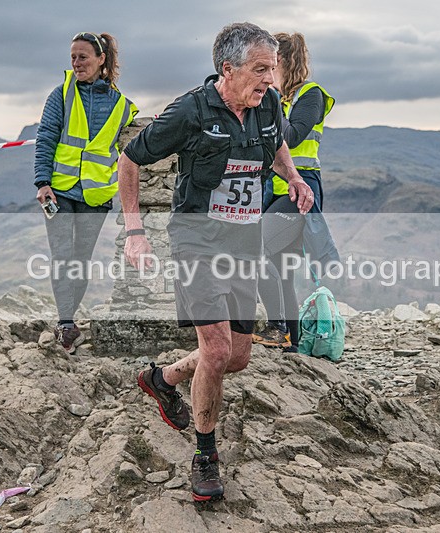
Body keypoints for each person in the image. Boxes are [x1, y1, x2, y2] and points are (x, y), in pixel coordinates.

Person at [118, 22, 314, 502]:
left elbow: (275, 143)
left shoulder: (265, 103)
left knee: (239, 357)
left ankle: (161, 379)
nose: (271, 80)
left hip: (244, 243)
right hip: (196, 242)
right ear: (227, 69)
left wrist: (292, 177)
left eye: (274, 69)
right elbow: (129, 160)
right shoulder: (189, 111)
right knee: (219, 350)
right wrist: (135, 232)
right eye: (260, 70)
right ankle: (205, 457)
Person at [34, 32, 138, 353]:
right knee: (62, 257)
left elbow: (140, 142)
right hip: (60, 191)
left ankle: (67, 319)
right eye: (73, 58)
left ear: (101, 59)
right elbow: (46, 138)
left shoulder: (123, 106)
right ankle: (66, 324)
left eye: (83, 57)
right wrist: (42, 183)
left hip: (96, 197)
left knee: (80, 261)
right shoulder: (61, 94)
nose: (77, 63)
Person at [253, 31, 338, 353]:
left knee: (255, 250)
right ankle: (292, 341)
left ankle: (277, 327)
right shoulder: (280, 99)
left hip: (298, 192)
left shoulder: (311, 95)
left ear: (287, 62)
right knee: (282, 269)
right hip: (271, 191)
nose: (266, 74)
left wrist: (270, 102)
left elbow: (292, 136)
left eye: (271, 66)